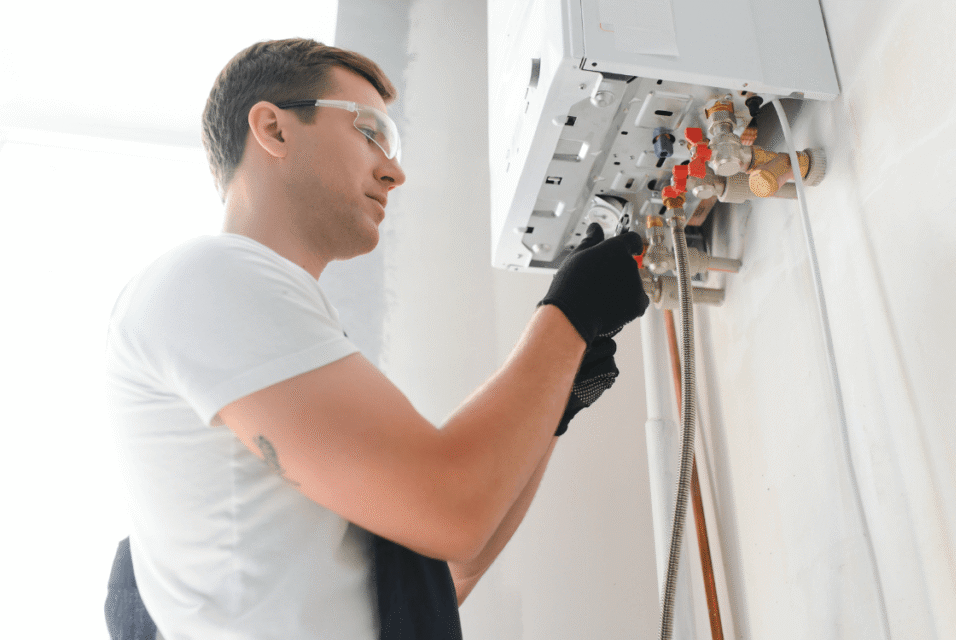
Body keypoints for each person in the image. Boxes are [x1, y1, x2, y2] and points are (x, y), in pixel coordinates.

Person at [105, 38, 648, 640]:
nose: (394, 171)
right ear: (274, 129)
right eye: (370, 133)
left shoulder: (266, 323)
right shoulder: (212, 278)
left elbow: (447, 568)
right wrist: (569, 314)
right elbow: (451, 512)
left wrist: (556, 398)